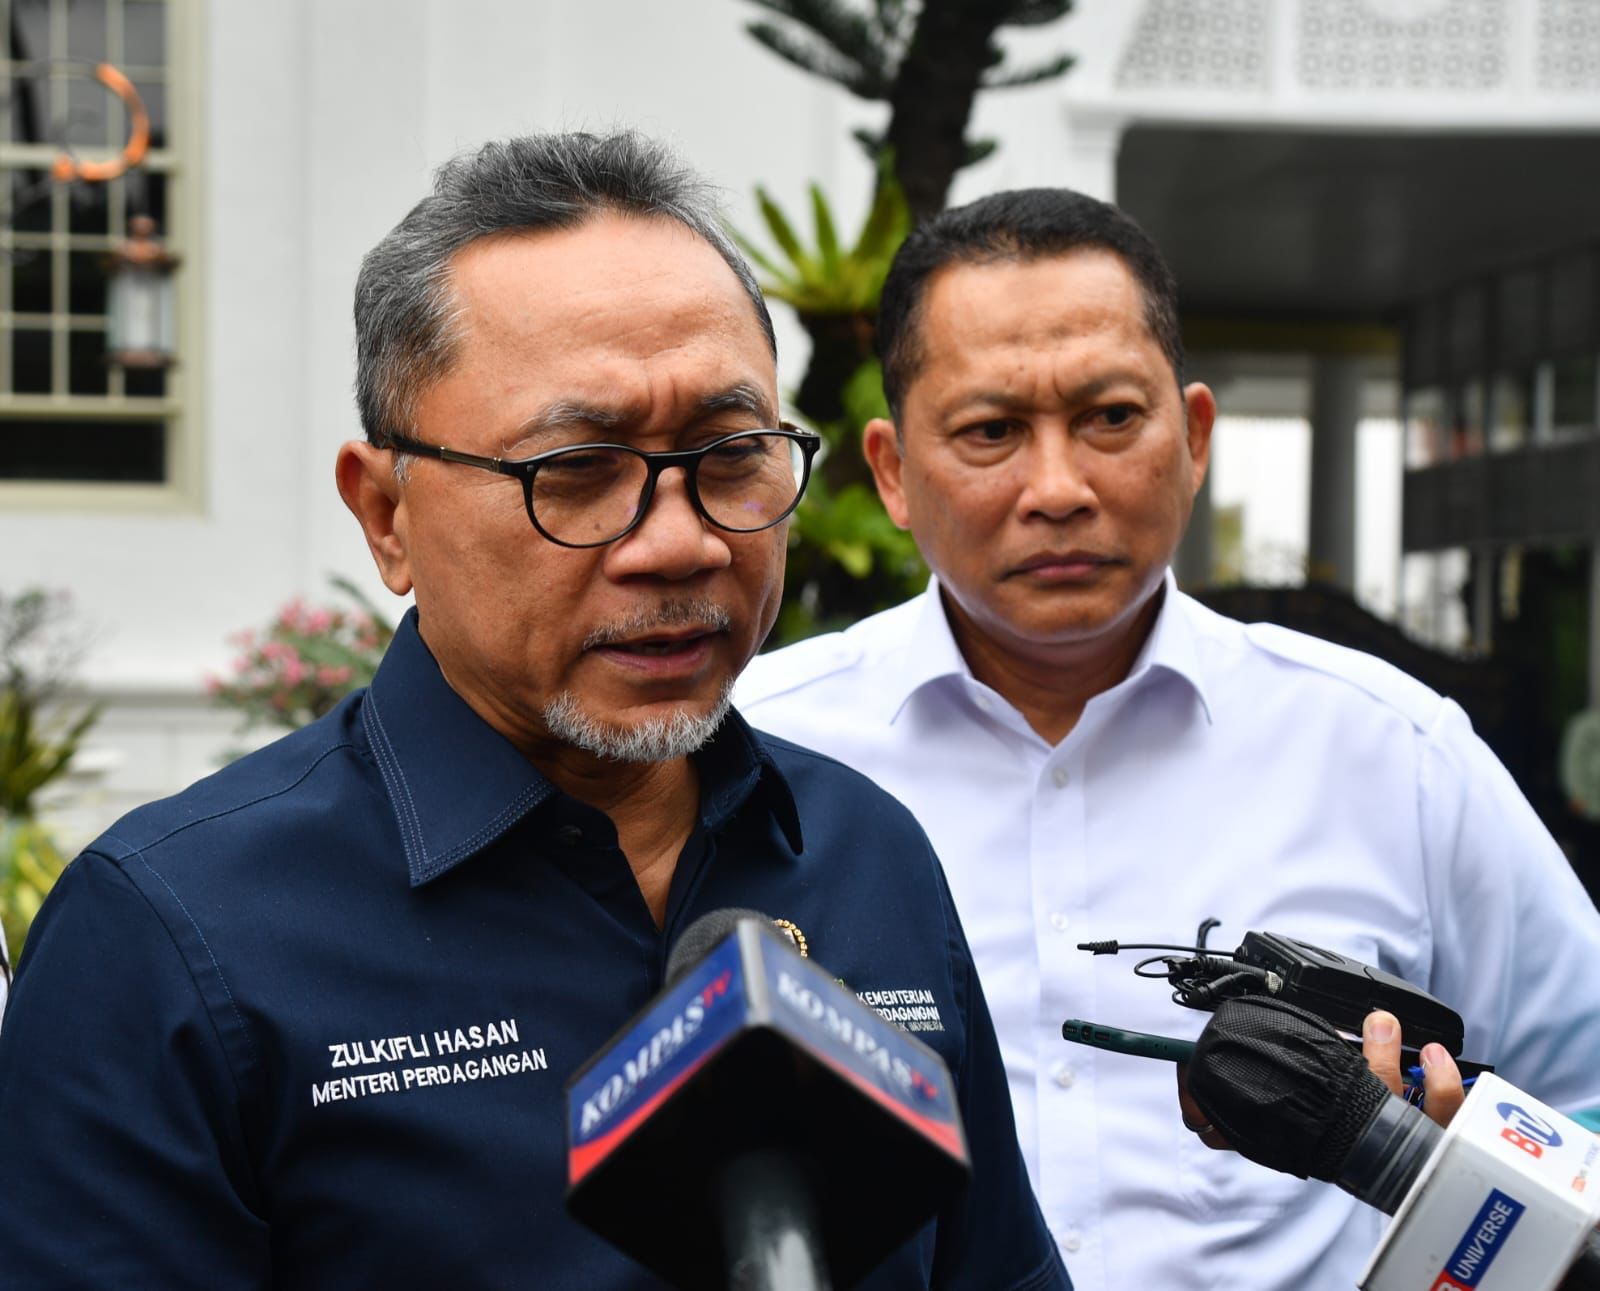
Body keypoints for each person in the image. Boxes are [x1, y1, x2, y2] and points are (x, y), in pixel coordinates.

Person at [0, 134, 1068, 1291]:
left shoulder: (865, 852)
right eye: (575, 468)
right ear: (386, 515)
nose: (680, 542)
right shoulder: (172, 939)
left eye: (732, 453)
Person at [736, 186, 1600, 1291]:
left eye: (1109, 417)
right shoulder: (760, 750)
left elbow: (1583, 1088)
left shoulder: (1394, 755)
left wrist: (1449, 1159)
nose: (1058, 488)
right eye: (991, 431)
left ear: (1192, 437)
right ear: (893, 471)